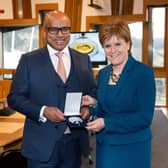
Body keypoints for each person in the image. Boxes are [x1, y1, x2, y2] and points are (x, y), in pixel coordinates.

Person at [7, 10, 96, 168]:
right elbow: (14, 98)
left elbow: (92, 92)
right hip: (41, 146)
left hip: (74, 145)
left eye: (65, 29)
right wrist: (43, 111)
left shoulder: (83, 59)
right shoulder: (29, 61)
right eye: (54, 29)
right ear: (44, 31)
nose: (60, 35)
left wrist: (87, 107)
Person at [82, 19, 156, 168]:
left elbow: (144, 118)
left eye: (118, 44)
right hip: (105, 145)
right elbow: (106, 108)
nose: (112, 50)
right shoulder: (103, 74)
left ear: (128, 44)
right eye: (107, 46)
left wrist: (106, 123)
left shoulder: (143, 73)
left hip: (132, 147)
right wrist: (94, 104)